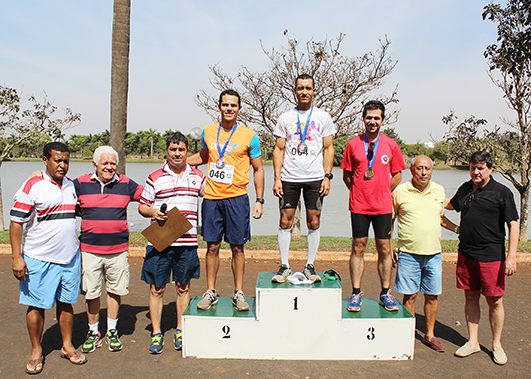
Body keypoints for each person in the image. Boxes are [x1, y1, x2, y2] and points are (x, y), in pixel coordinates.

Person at [10, 142, 86, 374]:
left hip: (69, 257)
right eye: (57, 160)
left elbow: (77, 211)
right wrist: (16, 258)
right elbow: (15, 224)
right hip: (38, 258)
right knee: (36, 305)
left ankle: (67, 346)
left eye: (66, 161)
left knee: (67, 303)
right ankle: (36, 350)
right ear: (45, 161)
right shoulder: (32, 185)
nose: (62, 165)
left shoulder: (72, 185)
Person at [188, 89, 265, 312]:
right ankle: (210, 291)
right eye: (225, 105)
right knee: (212, 246)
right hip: (212, 198)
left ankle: (238, 293)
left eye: (233, 105)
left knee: (237, 247)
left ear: (239, 109)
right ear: (219, 107)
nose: (229, 109)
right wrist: (180, 162)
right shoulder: (208, 132)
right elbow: (204, 157)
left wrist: (260, 200)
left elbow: (258, 169)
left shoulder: (250, 135)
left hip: (237, 199)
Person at [446, 151, 518, 365]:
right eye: (473, 168)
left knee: (495, 301)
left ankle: (496, 345)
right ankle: (473, 342)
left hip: (492, 256)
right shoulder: (466, 188)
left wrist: (511, 256)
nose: (476, 172)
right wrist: (429, 198)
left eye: (480, 168)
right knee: (470, 297)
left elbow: (513, 224)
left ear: (490, 169)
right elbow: (450, 205)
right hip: (467, 253)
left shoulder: (502, 192)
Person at [139, 132, 205, 354]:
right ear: (166, 151)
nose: (177, 154)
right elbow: (142, 206)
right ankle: (156, 333)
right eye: (173, 150)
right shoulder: (155, 177)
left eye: (182, 150)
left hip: (187, 242)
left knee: (183, 286)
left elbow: (217, 194)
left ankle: (180, 329)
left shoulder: (198, 176)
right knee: (157, 288)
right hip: (160, 242)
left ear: (188, 152)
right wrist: (153, 212)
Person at [74, 146, 143, 353]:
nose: (109, 167)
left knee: (115, 290)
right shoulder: (79, 184)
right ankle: (93, 332)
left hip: (118, 249)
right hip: (89, 249)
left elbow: (150, 193)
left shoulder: (126, 184)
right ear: (94, 165)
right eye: (105, 163)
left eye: (113, 163)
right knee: (92, 292)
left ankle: (111, 330)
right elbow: (58, 189)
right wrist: (38, 174)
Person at [340, 100, 406, 312]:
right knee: (358, 246)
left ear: (382, 120)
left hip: (383, 206)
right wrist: (360, 190)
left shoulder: (391, 145)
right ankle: (356, 292)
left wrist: (384, 189)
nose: (372, 121)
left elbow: (398, 174)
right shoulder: (352, 144)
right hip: (359, 205)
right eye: (369, 117)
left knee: (385, 248)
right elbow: (347, 175)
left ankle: (385, 293)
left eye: (376, 118)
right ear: (363, 118)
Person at [271, 73, 336, 283]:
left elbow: (328, 148)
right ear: (295, 90)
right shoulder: (286, 118)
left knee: (314, 221)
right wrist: (277, 178)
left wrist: (327, 176)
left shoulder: (323, 117)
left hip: (315, 178)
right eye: (300, 88)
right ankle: (284, 266)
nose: (304, 92)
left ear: (314, 90)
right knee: (285, 220)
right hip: (289, 177)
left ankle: (310, 265)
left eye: (308, 88)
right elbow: (279, 149)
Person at [392, 155, 459, 352]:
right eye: (419, 168)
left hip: (434, 254)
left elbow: (441, 218)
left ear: (431, 170)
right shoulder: (400, 191)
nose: (423, 172)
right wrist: (387, 249)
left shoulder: (438, 190)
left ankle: (429, 335)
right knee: (410, 296)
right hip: (408, 253)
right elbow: (389, 220)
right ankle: (408, 333)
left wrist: (459, 230)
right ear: (411, 170)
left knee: (432, 295)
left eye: (427, 169)